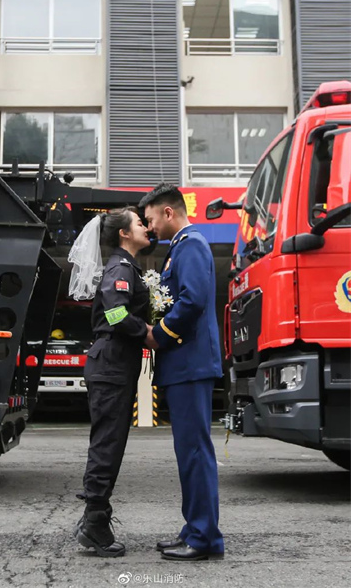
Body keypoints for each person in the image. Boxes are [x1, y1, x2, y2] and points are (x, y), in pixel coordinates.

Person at [139, 183, 225, 562]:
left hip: (189, 364)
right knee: (189, 452)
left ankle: (204, 538)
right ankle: (195, 529)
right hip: (184, 365)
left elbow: (192, 299)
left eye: (151, 218)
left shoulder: (190, 245)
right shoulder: (181, 248)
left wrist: (158, 334)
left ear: (168, 212)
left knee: (194, 452)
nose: (150, 226)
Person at [70, 207, 151, 558]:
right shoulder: (120, 268)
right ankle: (94, 524)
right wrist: (145, 332)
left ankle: (94, 517)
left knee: (109, 443)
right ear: (123, 234)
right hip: (111, 365)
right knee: (107, 444)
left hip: (114, 365)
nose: (146, 227)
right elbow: (116, 314)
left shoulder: (127, 267)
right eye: (139, 223)